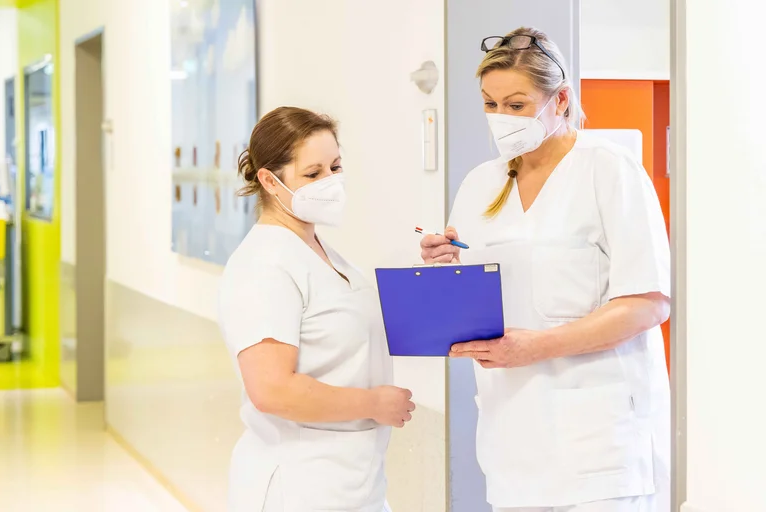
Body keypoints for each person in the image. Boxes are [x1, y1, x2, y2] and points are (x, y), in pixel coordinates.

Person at [420, 27, 671, 512]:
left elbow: (647, 303)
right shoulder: (479, 184)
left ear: (561, 101)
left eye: (516, 105)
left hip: (600, 445)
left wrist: (538, 346)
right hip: (512, 442)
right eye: (490, 104)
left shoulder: (607, 169)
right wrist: (442, 267)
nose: (501, 117)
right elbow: (473, 300)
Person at [219, 106, 414, 512]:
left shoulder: (319, 252)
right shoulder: (264, 264)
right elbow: (271, 390)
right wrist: (374, 404)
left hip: (351, 480)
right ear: (269, 181)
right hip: (297, 484)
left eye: (335, 167)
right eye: (313, 174)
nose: (330, 182)